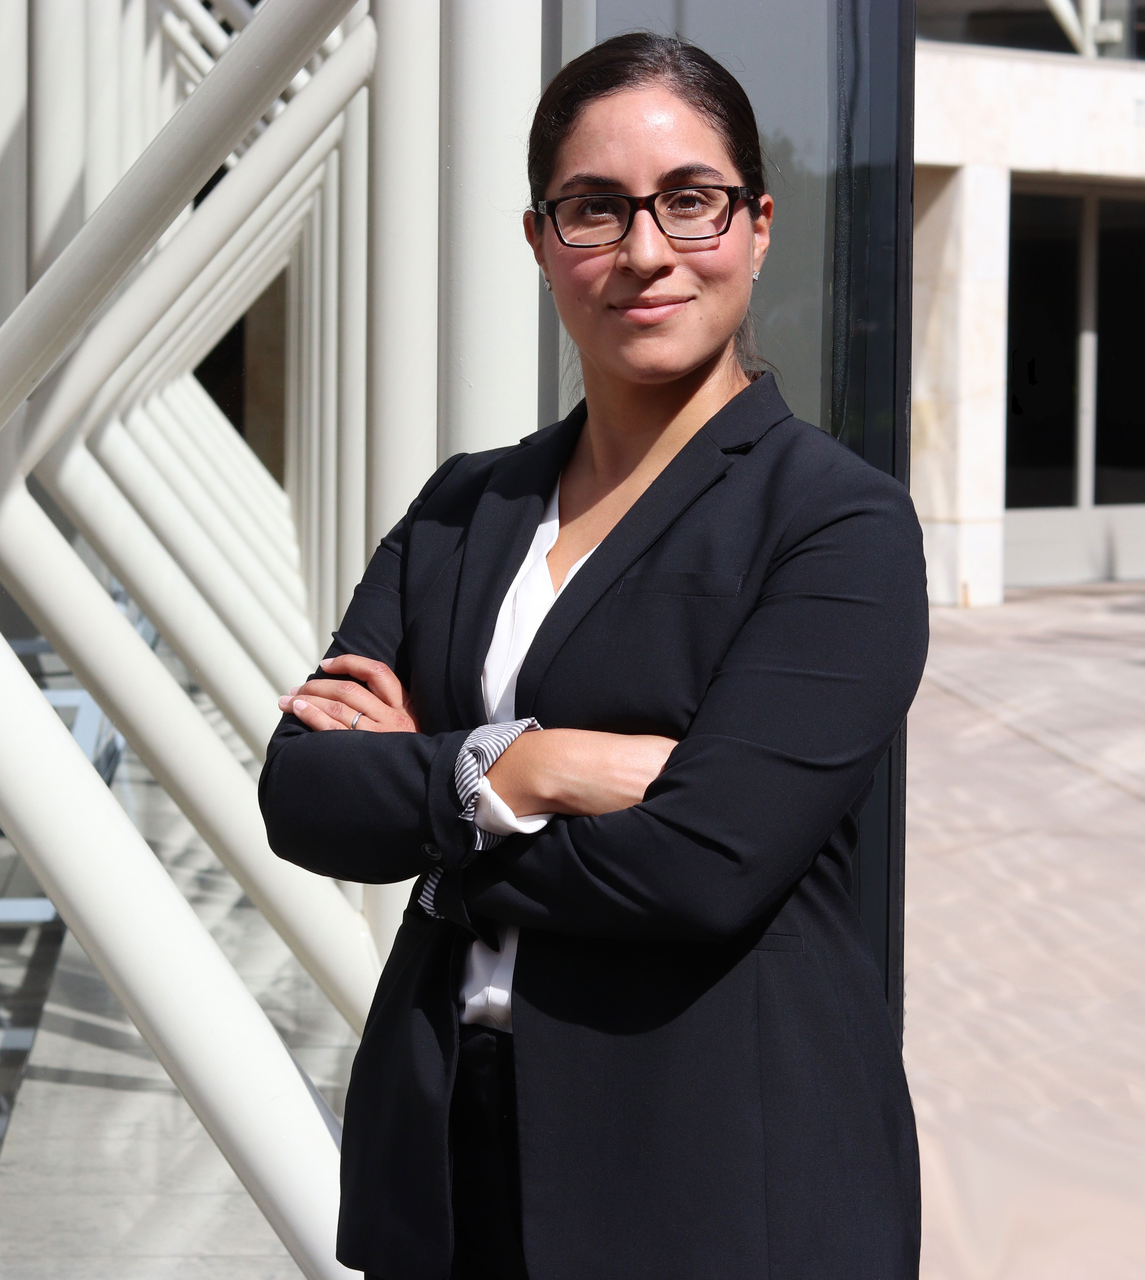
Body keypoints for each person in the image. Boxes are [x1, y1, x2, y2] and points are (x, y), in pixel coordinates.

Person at [259, 31, 926, 1280]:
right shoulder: (467, 506)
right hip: (451, 1155)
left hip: (711, 1173)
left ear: (759, 223)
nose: (645, 251)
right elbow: (300, 792)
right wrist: (533, 769)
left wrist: (430, 821)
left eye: (690, 201)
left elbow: (705, 866)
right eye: (594, 210)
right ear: (538, 241)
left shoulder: (835, 521)